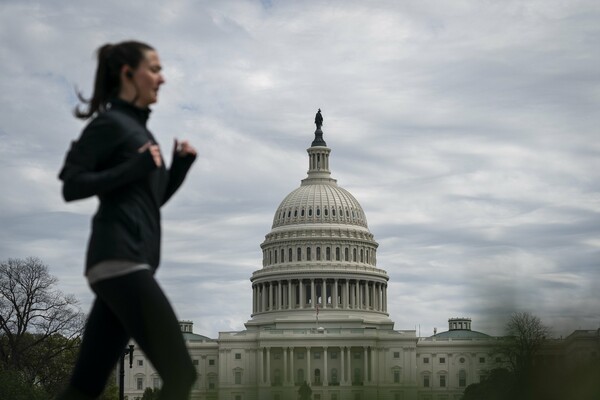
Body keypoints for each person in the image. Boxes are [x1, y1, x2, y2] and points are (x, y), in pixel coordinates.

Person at [57, 41, 197, 400]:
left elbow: (150, 202)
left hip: (127, 260)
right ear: (127, 74)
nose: (161, 78)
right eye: (153, 69)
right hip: (120, 258)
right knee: (181, 374)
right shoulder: (110, 124)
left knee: (85, 386)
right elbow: (71, 184)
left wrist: (178, 168)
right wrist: (131, 167)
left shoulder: (140, 131)